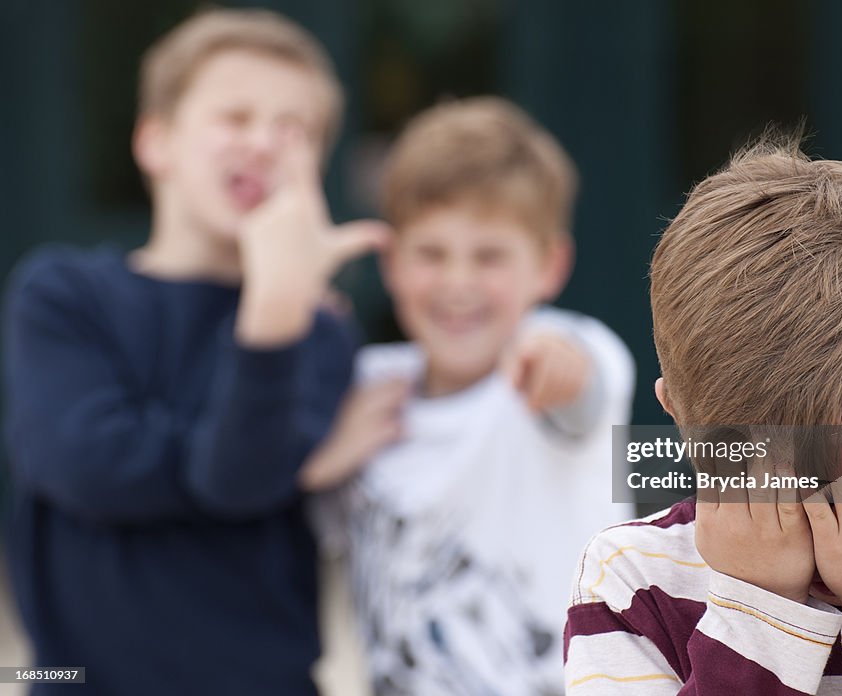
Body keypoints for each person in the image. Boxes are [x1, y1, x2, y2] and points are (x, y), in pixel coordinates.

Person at [2, 9, 386, 695]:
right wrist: (291, 468)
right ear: (156, 142)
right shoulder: (61, 294)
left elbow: (234, 478)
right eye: (235, 118)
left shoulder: (320, 332)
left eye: (292, 130)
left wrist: (275, 308)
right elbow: (89, 466)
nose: (264, 143)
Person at [562, 135, 842, 694]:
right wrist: (759, 612)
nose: (820, 518)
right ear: (680, 421)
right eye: (766, 481)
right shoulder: (631, 581)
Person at [304, 97, 636, 695]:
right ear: (392, 263)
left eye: (490, 256)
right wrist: (323, 456)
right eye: (431, 254)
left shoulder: (569, 347)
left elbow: (584, 388)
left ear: (549, 265)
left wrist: (560, 367)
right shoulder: (363, 387)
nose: (458, 283)